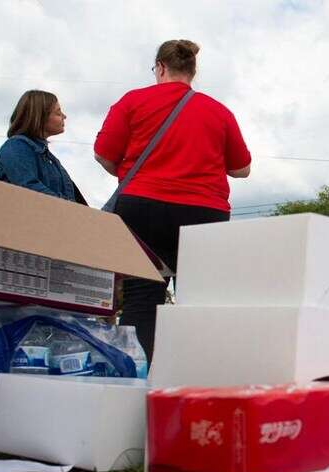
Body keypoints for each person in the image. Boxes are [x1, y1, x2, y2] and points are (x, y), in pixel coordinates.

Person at [93, 39, 251, 361]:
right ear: (192, 71)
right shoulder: (219, 112)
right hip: (204, 212)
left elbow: (103, 155)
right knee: (197, 299)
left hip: (141, 207)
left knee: (141, 297)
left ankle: (136, 380)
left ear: (161, 68)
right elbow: (242, 169)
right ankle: (196, 379)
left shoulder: (132, 101)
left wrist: (132, 173)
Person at [0, 90, 87, 204]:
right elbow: (30, 189)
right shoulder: (15, 147)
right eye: (58, 113)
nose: (64, 116)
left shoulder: (51, 159)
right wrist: (72, 210)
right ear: (40, 117)